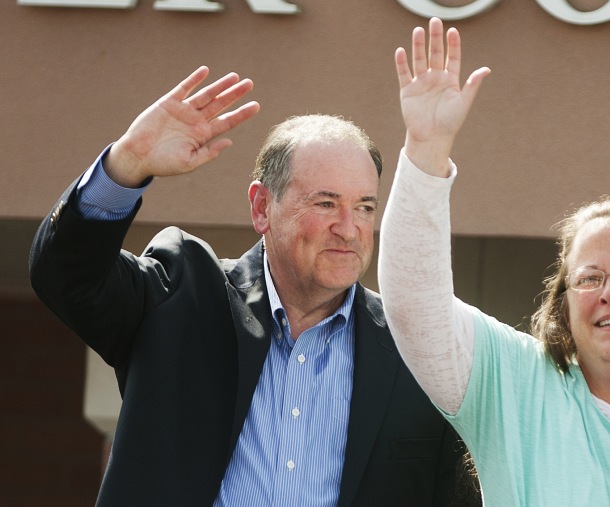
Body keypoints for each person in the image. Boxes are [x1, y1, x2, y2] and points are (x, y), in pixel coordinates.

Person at [29, 65, 480, 506]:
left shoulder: (412, 347)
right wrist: (125, 164)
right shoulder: (181, 295)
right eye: (326, 203)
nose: (349, 228)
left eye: (364, 207)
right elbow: (66, 274)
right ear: (263, 207)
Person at [378, 17, 610, 506]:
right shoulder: (513, 385)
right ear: (562, 307)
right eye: (589, 278)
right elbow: (413, 304)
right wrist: (427, 151)